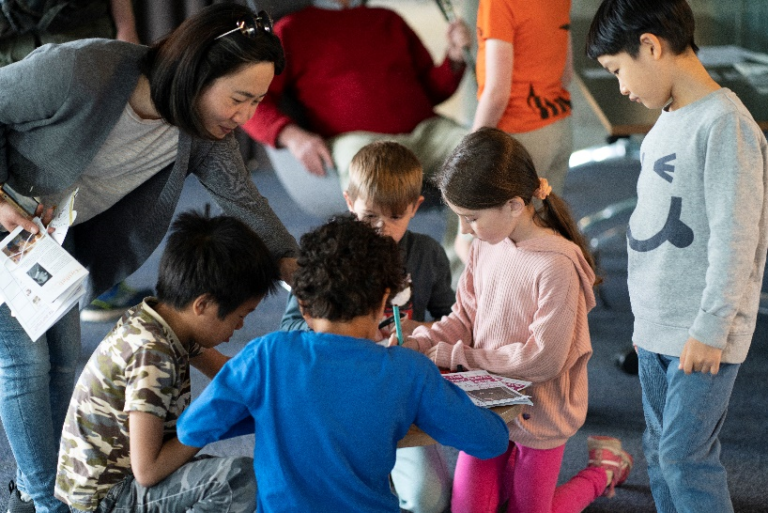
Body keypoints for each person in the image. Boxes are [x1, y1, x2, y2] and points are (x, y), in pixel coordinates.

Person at [0, 5, 298, 512]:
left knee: (61, 364)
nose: (246, 117)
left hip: (50, 244)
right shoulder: (82, 71)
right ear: (198, 73)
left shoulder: (200, 130)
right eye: (240, 98)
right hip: (8, 225)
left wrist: (306, 276)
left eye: (258, 102)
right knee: (25, 364)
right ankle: (44, 500)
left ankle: (43, 493)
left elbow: (247, 202)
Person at [176, 214, 511, 513]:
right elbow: (490, 441)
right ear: (384, 301)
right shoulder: (409, 370)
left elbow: (193, 428)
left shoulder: (264, 355)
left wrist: (273, 412)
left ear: (304, 306)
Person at [586, 1, 768, 512]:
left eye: (618, 70)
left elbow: (739, 238)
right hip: (656, 329)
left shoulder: (725, 124)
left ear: (650, 45)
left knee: (686, 457)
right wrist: (645, 324)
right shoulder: (665, 122)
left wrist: (712, 327)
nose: (621, 86)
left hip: (701, 331)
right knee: (660, 453)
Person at [400, 128, 633, 513]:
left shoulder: (556, 265)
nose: (464, 231)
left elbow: (542, 361)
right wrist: (422, 341)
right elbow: (464, 318)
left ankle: (603, 471)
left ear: (512, 205)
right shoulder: (484, 246)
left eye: (471, 218)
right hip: (488, 409)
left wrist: (453, 355)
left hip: (539, 417)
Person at [55, 210, 279, 512]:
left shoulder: (162, 317)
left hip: (117, 483)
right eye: (240, 316)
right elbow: (148, 472)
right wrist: (207, 426)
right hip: (107, 499)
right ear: (203, 305)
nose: (240, 328)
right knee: (236, 480)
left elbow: (229, 373)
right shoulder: (153, 354)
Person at [278, 141, 455, 513]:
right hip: (332, 403)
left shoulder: (427, 255)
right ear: (348, 201)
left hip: (401, 402)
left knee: (430, 502)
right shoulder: (328, 253)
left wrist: (417, 330)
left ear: (415, 207)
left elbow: (451, 321)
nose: (380, 228)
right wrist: (342, 331)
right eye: (369, 216)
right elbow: (290, 329)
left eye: (394, 216)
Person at [454, 0, 574, 268]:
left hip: (517, 138)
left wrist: (469, 153)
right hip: (558, 128)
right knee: (542, 240)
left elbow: (497, 94)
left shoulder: (498, 3)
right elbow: (566, 74)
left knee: (478, 249)